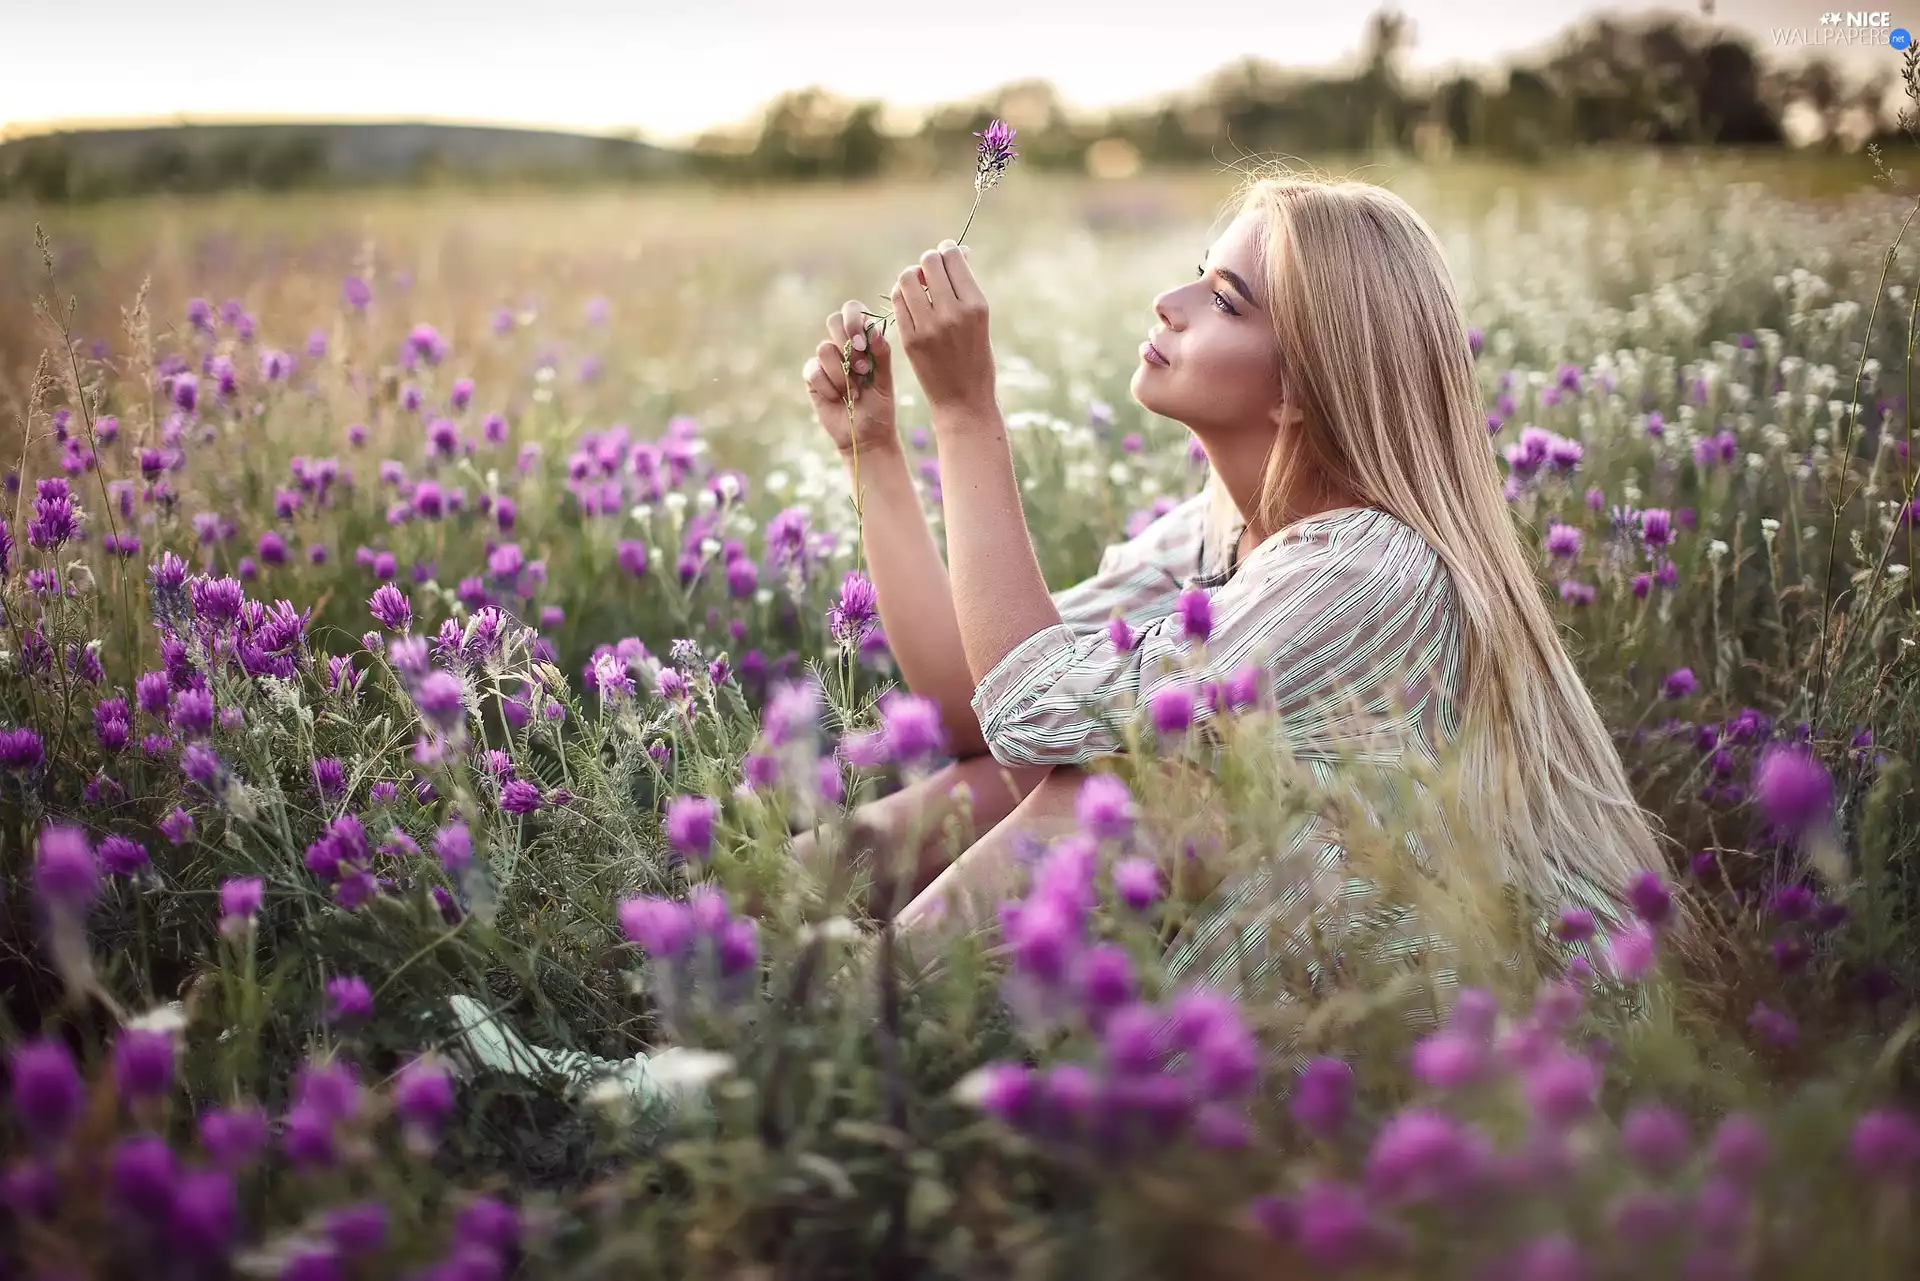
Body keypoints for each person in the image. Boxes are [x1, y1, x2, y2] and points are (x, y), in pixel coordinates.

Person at [797, 168, 1666, 990]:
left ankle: (818, 1049)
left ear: (1300, 386)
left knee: (1124, 790)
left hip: (1467, 1040)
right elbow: (969, 703)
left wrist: (964, 410)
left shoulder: (1367, 567)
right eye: (1197, 278)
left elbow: (1025, 709)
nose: (1167, 307)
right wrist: (872, 450)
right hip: (1273, 980)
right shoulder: (1221, 531)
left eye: (1221, 301)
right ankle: (720, 946)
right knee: (1054, 774)